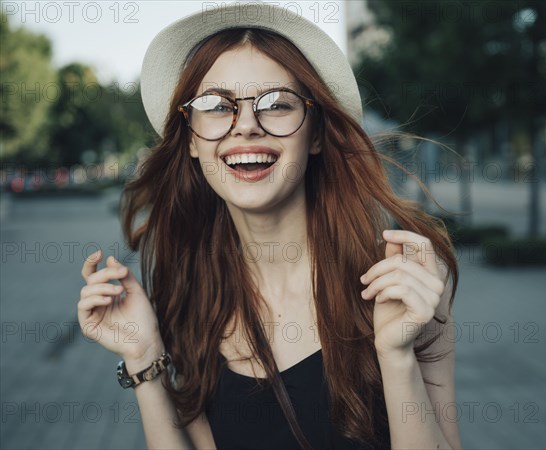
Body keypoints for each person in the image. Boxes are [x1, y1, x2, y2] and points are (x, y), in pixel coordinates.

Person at [78, 3, 461, 449]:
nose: (245, 126)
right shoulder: (190, 291)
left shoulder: (403, 283)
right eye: (217, 106)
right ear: (190, 142)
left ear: (316, 134)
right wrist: (145, 358)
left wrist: (396, 358)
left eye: (277, 104)